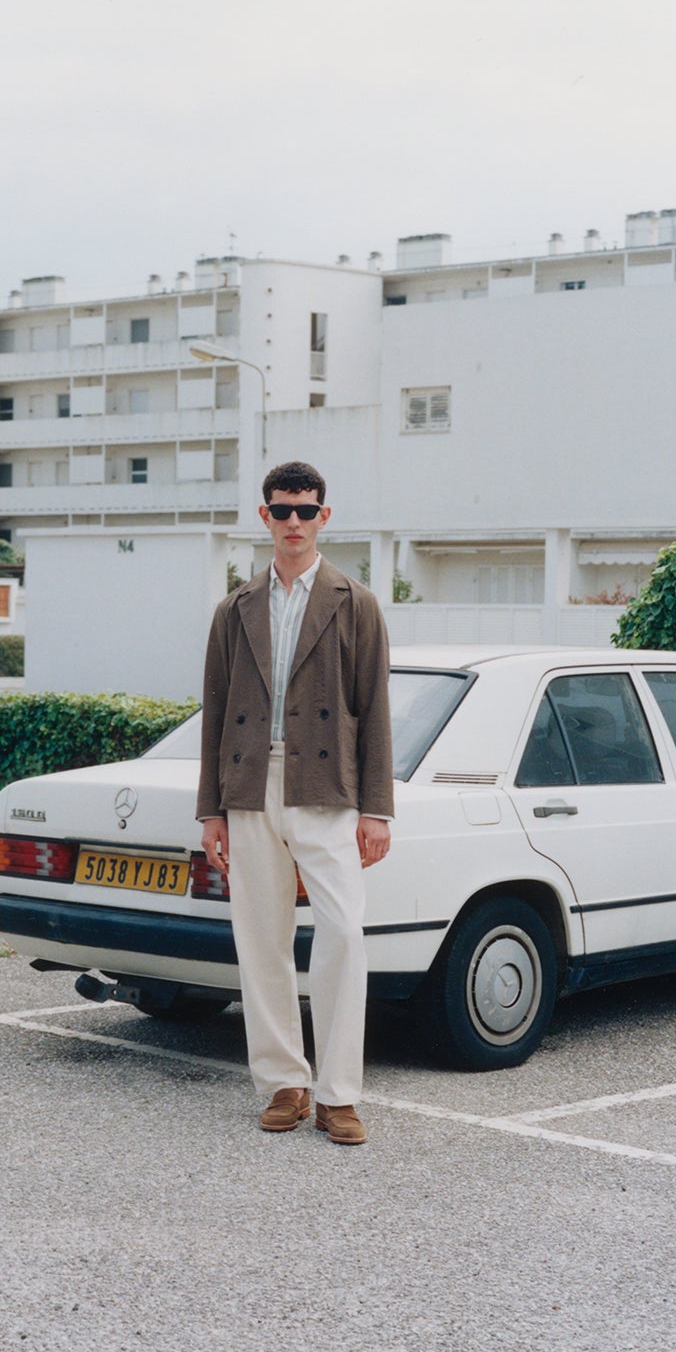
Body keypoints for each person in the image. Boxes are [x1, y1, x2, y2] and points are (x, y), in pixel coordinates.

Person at [196, 461, 393, 1145]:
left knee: (343, 934)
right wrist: (210, 811)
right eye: (281, 510)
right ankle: (284, 1081)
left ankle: (339, 1094)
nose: (293, 522)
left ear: (324, 517)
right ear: (264, 516)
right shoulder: (235, 606)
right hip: (250, 790)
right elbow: (215, 713)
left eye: (305, 510)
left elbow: (375, 713)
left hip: (326, 789)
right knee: (261, 941)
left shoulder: (355, 601)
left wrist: (377, 809)